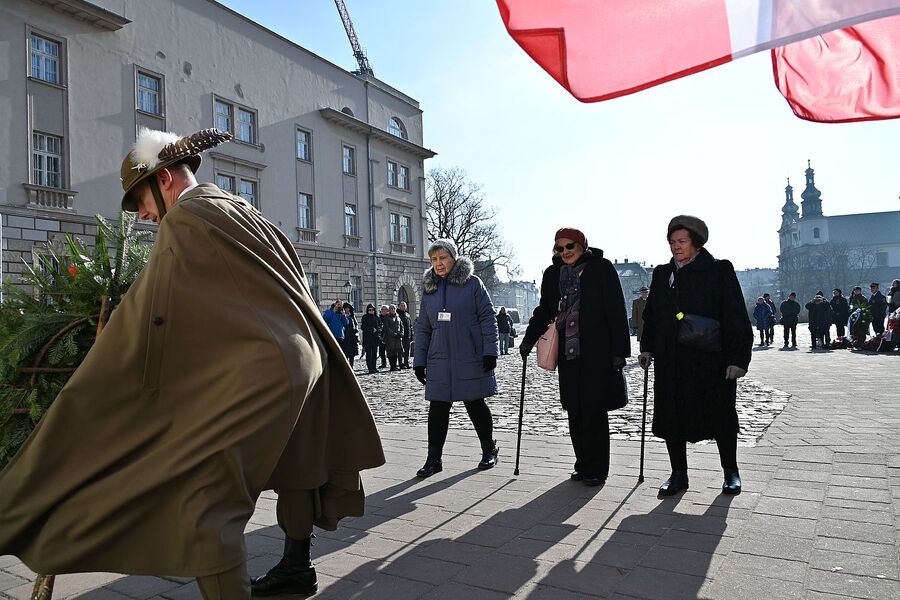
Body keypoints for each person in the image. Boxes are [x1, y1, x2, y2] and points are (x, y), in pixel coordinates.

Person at [0, 127, 385, 599]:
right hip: (302, 358)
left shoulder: (185, 218)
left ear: (163, 181)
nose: (143, 215)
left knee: (205, 500)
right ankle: (296, 568)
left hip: (263, 368)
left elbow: (154, 310)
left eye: (139, 200)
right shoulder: (239, 208)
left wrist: (100, 370)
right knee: (296, 465)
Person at [637, 215, 752, 496]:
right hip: (671, 359)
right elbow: (652, 314)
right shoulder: (663, 274)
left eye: (682, 241)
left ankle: (731, 471)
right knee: (671, 416)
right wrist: (647, 347)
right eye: (672, 242)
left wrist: (738, 359)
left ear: (696, 242)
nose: (676, 247)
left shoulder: (718, 270)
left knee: (721, 415)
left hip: (711, 359)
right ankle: (678, 475)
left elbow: (735, 314)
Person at [520, 228, 630, 487]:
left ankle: (597, 469)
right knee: (574, 410)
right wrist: (529, 338)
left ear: (582, 246)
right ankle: (582, 462)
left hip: (597, 352)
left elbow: (616, 309)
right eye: (559, 248)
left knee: (594, 410)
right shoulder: (551, 274)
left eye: (570, 246)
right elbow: (545, 310)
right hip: (568, 354)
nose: (565, 252)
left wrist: (619, 353)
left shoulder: (601, 268)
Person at [413, 239, 500, 478]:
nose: (438, 264)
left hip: (468, 354)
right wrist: (419, 360)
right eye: (434, 259)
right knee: (438, 408)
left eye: (443, 258)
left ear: (453, 258)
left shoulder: (473, 284)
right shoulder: (429, 289)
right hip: (439, 358)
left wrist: (490, 350)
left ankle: (488, 449)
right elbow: (423, 327)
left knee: (475, 404)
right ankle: (433, 459)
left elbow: (487, 318)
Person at [360, 303, 382, 375]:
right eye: (370, 310)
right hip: (368, 339)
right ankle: (370, 368)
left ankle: (374, 367)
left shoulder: (377, 317)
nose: (371, 311)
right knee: (369, 354)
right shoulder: (365, 317)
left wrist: (377, 329)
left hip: (375, 339)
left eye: (372, 310)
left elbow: (380, 326)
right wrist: (371, 329)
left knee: (375, 354)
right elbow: (363, 327)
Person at [382, 304, 405, 371]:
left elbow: (401, 326)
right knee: (390, 352)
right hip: (390, 338)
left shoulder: (398, 317)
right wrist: (394, 334)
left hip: (398, 338)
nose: (393, 310)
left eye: (394, 309)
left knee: (396, 352)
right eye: (391, 309)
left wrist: (401, 334)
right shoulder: (387, 317)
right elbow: (387, 328)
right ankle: (392, 366)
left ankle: (395, 366)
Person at [340, 302, 359, 367]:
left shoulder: (352, 316)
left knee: (352, 354)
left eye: (348, 308)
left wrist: (356, 330)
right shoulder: (342, 316)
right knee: (346, 353)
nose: (347, 310)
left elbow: (356, 324)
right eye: (346, 308)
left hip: (352, 337)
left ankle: (351, 366)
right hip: (345, 337)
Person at [397, 301, 413, 368]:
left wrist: (411, 335)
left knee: (407, 351)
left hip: (407, 335)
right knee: (400, 350)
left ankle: (406, 363)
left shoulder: (407, 315)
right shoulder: (397, 314)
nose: (403, 307)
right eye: (402, 305)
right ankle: (401, 364)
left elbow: (410, 326)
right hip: (401, 336)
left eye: (404, 306)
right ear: (399, 306)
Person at [377, 304, 390, 368]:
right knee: (382, 351)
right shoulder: (378, 318)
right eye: (382, 309)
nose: (384, 311)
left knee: (390, 351)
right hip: (381, 337)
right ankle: (383, 363)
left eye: (385, 309)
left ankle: (392, 363)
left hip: (389, 336)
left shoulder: (390, 317)